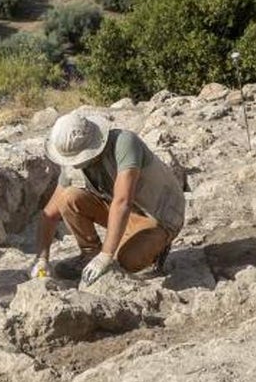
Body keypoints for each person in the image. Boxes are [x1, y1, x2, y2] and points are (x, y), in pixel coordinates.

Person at [32, 110, 185, 287]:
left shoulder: (125, 143)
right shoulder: (76, 162)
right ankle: (89, 254)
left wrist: (105, 256)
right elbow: (50, 213)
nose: (75, 163)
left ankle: (156, 250)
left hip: (157, 218)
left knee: (127, 261)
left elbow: (122, 201)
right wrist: (42, 258)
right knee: (68, 197)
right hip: (123, 213)